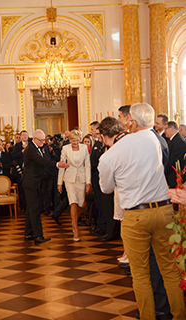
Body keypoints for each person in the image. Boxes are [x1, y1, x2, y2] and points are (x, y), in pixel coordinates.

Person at [98, 103, 186, 320]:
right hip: (164, 210)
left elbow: (106, 188)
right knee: (169, 270)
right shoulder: (156, 140)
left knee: (140, 274)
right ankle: (180, 316)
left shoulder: (109, 155)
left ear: (133, 122)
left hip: (136, 215)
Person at [21, 129, 69, 245]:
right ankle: (38, 236)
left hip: (34, 182)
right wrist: (57, 164)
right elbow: (41, 161)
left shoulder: (36, 147)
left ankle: (28, 233)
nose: (44, 142)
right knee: (35, 208)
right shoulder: (31, 149)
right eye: (42, 140)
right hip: (30, 183)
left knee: (30, 209)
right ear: (35, 139)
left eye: (44, 140)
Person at [57, 129, 91, 241]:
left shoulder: (84, 148)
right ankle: (75, 229)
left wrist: (88, 182)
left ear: (80, 139)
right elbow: (62, 165)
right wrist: (59, 183)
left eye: (76, 140)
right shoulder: (65, 149)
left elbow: (87, 166)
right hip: (69, 178)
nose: (75, 143)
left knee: (80, 203)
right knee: (73, 202)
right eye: (72, 141)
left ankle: (75, 220)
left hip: (81, 178)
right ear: (69, 140)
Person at [164, 121, 186, 189]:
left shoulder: (178, 141)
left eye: (166, 129)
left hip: (175, 178)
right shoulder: (174, 140)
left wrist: (163, 171)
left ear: (172, 128)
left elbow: (173, 161)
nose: (164, 131)